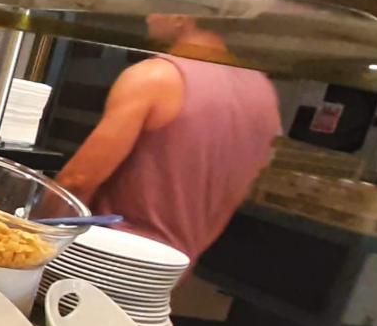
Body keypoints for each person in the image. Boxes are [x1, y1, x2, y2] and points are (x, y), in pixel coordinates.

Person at [55, 14, 280, 264]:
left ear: (181, 17)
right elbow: (238, 192)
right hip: (174, 266)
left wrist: (40, 237)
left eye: (159, 8)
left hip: (105, 257)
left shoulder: (156, 76)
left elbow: (78, 180)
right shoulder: (263, 92)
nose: (149, 17)